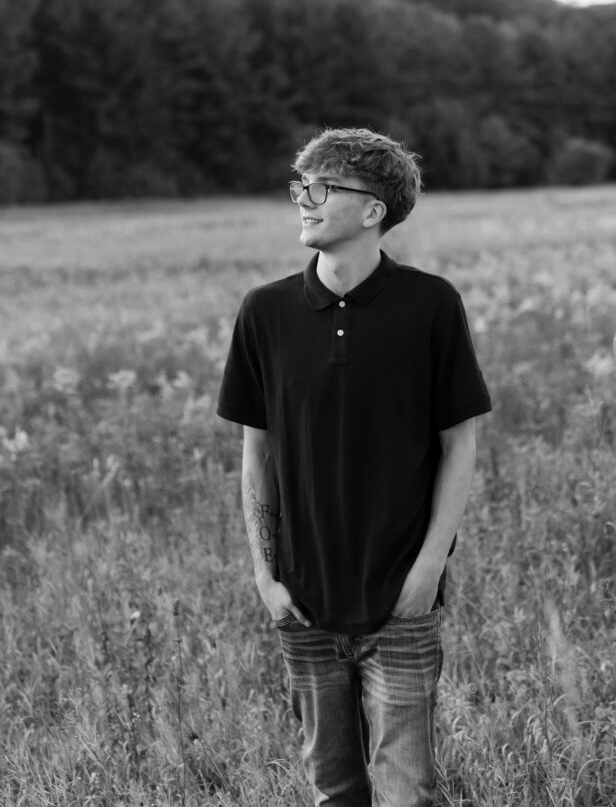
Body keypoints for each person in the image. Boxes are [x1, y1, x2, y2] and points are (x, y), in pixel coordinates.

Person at [217, 127, 492, 806]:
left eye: (321, 188)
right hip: (303, 604)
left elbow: (460, 442)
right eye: (299, 188)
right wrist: (265, 577)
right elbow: (258, 453)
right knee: (333, 791)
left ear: (373, 211)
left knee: (407, 794)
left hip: (401, 601)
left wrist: (426, 572)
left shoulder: (430, 305)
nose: (303, 202)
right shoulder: (265, 312)